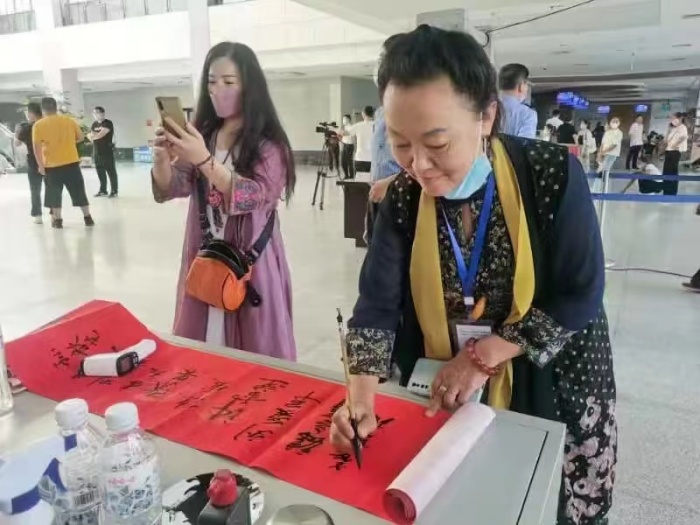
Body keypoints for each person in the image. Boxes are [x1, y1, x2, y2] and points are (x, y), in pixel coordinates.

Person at [330, 26, 616, 525]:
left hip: (550, 373)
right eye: (400, 144)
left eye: (437, 143)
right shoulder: (402, 196)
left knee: (550, 504)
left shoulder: (549, 174)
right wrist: (359, 401)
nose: (419, 166)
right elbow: (375, 306)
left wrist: (483, 356)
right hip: (448, 381)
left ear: (486, 116)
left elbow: (581, 292)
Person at [151, 41, 296, 360]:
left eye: (229, 82)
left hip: (249, 262)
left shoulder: (269, 144)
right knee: (204, 348)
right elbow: (175, 186)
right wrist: (161, 160)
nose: (218, 90)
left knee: (254, 350)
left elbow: (255, 196)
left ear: (249, 86)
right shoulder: (204, 135)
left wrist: (204, 160)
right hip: (205, 254)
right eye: (212, 82)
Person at [32, 97, 94, 229]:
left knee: (54, 194)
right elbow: (80, 137)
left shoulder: (38, 125)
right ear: (56, 107)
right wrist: (68, 142)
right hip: (71, 163)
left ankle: (58, 220)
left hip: (52, 166)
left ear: (43, 109)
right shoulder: (69, 121)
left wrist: (41, 166)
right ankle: (88, 217)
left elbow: (36, 148)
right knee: (79, 191)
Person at [14, 101, 44, 224]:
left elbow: (17, 143)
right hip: (50, 160)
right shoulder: (47, 124)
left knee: (35, 189)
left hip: (33, 161)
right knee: (52, 187)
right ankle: (55, 213)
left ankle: (38, 215)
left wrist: (17, 132)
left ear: (31, 113)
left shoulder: (26, 128)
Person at [498, 63, 537, 139]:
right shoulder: (527, 114)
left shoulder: (484, 108)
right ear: (521, 86)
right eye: (527, 85)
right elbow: (524, 144)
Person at [89, 106, 119, 197]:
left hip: (107, 152)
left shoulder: (108, 123)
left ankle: (114, 191)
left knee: (111, 172)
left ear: (102, 113)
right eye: (94, 113)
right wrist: (93, 136)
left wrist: (94, 136)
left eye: (97, 113)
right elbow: (90, 135)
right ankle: (103, 190)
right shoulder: (94, 124)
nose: (95, 115)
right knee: (100, 172)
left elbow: (101, 134)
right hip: (97, 152)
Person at [339, 105, 374, 174]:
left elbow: (344, 133)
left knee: (360, 180)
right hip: (374, 160)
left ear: (363, 114)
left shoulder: (358, 125)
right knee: (373, 180)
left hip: (360, 159)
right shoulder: (378, 125)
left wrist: (334, 130)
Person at [661, 112, 688, 196]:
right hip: (668, 151)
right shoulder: (672, 128)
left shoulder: (683, 127)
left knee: (672, 172)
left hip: (675, 152)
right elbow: (665, 140)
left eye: (673, 118)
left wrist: (675, 145)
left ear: (680, 118)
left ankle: (672, 192)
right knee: (666, 172)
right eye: (671, 118)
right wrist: (668, 130)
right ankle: (666, 191)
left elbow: (683, 137)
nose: (672, 120)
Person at [339, 114, 356, 180]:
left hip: (349, 146)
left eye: (344, 119)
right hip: (345, 145)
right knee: (343, 162)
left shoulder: (351, 127)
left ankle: (351, 176)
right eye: (343, 119)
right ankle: (346, 175)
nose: (343, 121)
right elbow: (341, 136)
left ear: (348, 119)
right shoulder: (344, 127)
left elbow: (344, 133)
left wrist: (340, 132)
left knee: (349, 162)